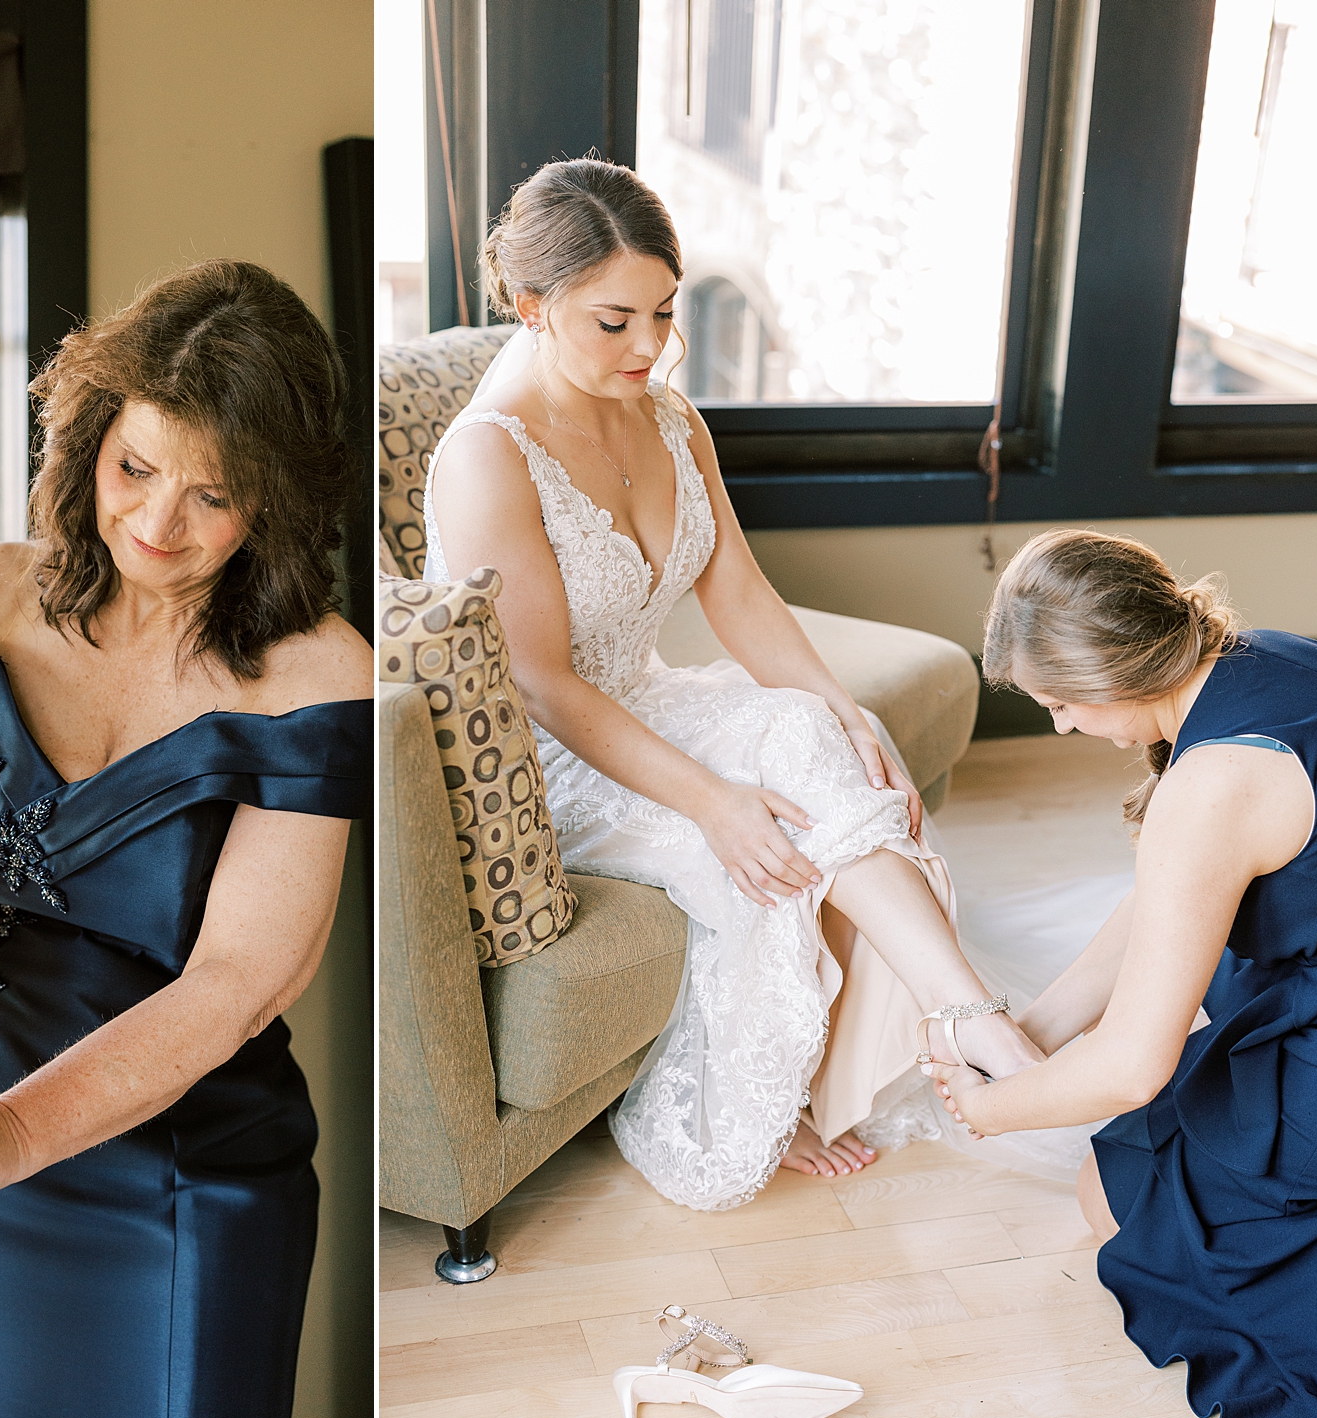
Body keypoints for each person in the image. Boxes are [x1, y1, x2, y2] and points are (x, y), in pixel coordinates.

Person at [423, 158, 1043, 1210]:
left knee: (812, 740)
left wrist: (845, 712)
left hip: (648, 697)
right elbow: (541, 686)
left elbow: (740, 594)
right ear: (530, 306)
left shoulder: (669, 416)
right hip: (552, 763)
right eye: (611, 320)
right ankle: (785, 1095)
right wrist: (710, 802)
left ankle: (964, 1013)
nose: (649, 346)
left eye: (663, 312)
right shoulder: (488, 456)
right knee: (764, 842)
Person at [0, 259, 372, 1418]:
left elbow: (244, 980)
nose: (157, 523)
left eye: (215, 495)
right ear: (90, 435)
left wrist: (17, 1129)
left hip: (175, 1181)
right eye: (134, 468)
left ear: (278, 504)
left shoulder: (320, 678)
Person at [924, 529, 1317, 1418]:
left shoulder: (1211, 785)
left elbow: (1135, 1067)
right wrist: (1040, 1030)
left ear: (1111, 676)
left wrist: (990, 1109)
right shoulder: (1271, 659)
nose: (1057, 728)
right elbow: (1165, 902)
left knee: (1115, 1196)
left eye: (1057, 705)